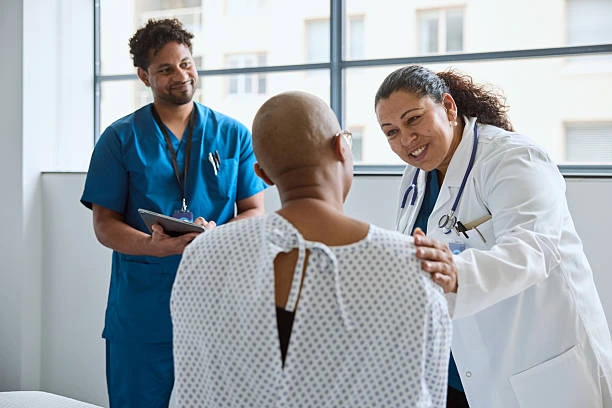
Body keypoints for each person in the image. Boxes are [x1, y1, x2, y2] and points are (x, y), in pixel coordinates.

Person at [170, 90, 452, 407]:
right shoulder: (410, 264)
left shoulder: (203, 255)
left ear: (261, 174)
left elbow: (191, 383)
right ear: (342, 147)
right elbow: (428, 389)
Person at [374, 64, 612, 408]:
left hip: (536, 366)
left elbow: (535, 247)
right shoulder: (415, 176)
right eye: (391, 131)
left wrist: (458, 273)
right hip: (458, 372)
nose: (406, 139)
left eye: (413, 119)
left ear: (449, 107)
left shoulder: (513, 158)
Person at [80, 18, 267, 407]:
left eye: (185, 63)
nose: (181, 76)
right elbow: (105, 225)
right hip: (143, 310)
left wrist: (217, 236)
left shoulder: (233, 134)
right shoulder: (120, 138)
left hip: (217, 306)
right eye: (165, 69)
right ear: (143, 76)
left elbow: (253, 210)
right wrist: (155, 246)